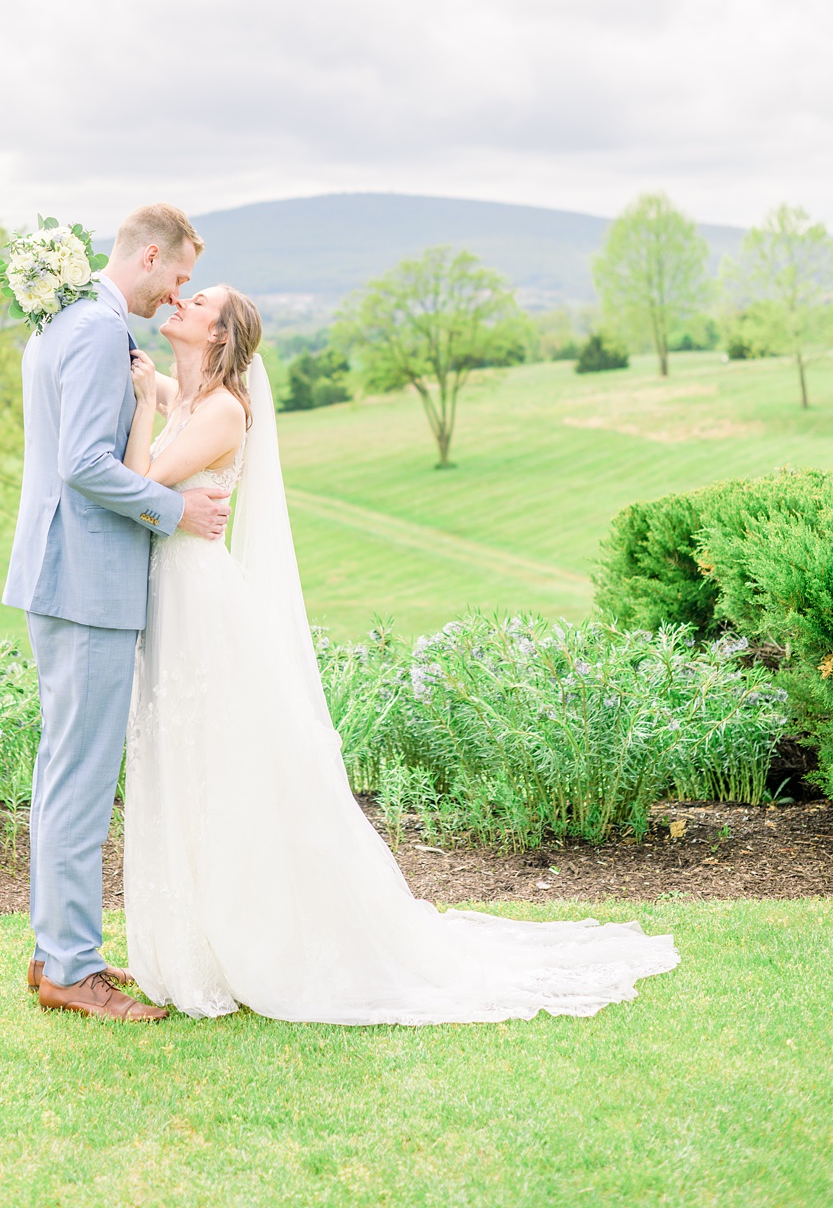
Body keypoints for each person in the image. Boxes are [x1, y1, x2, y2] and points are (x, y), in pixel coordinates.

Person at [112, 283, 679, 1024]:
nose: (180, 304)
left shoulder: (218, 409)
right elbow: (136, 384)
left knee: (224, 768)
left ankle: (255, 941)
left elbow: (139, 483)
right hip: (176, 599)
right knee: (185, 766)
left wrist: (145, 407)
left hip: (201, 605)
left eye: (199, 303)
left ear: (219, 336)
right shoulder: (188, 393)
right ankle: (195, 944)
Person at [3, 202, 229, 1022]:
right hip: (88, 582)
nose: (178, 295)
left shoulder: (67, 318)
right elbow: (86, 465)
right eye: (179, 276)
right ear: (150, 255)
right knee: (82, 781)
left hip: (60, 577)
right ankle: (71, 968)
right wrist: (175, 514)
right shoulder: (97, 329)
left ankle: (55, 953)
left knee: (63, 773)